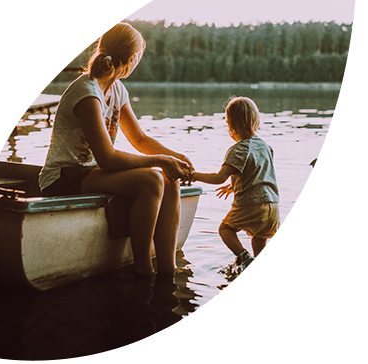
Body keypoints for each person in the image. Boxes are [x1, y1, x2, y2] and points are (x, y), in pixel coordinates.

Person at [39, 22, 193, 277]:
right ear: (132, 59)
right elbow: (108, 158)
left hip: (91, 173)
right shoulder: (87, 92)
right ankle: (143, 269)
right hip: (62, 178)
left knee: (169, 179)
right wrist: (160, 161)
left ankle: (168, 269)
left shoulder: (117, 89)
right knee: (153, 179)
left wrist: (175, 158)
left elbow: (140, 139)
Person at [191, 96, 279, 280]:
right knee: (259, 237)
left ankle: (244, 257)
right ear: (256, 121)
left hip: (250, 205)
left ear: (231, 125)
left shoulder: (238, 149)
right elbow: (257, 174)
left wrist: (193, 175)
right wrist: (233, 186)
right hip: (272, 207)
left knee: (225, 229)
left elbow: (218, 178)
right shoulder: (266, 146)